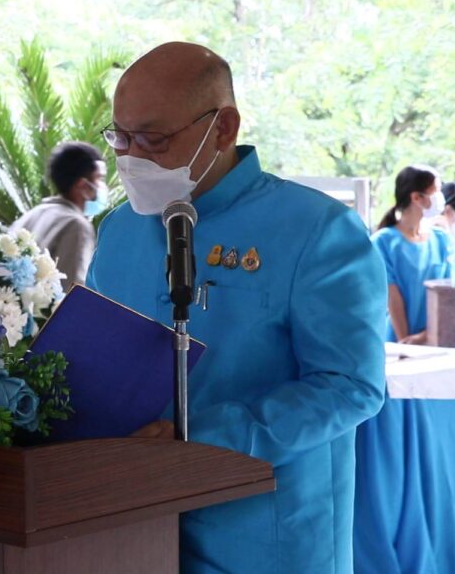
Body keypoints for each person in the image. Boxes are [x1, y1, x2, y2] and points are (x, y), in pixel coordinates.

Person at [87, 42, 386, 574]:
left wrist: (201, 438)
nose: (131, 159)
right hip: (132, 528)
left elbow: (350, 386)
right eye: (120, 138)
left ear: (223, 128)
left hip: (264, 535)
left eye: (153, 139)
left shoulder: (316, 230)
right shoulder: (119, 229)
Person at [371, 166, 453, 345]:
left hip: (437, 338)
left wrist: (427, 335)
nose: (440, 197)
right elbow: (392, 297)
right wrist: (405, 342)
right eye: (436, 191)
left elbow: (448, 293)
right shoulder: (383, 242)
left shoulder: (441, 239)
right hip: (397, 341)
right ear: (416, 197)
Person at [11, 141, 107, 291]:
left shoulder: (31, 215)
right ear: (82, 185)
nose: (102, 186)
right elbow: (72, 291)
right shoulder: (76, 226)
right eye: (99, 179)